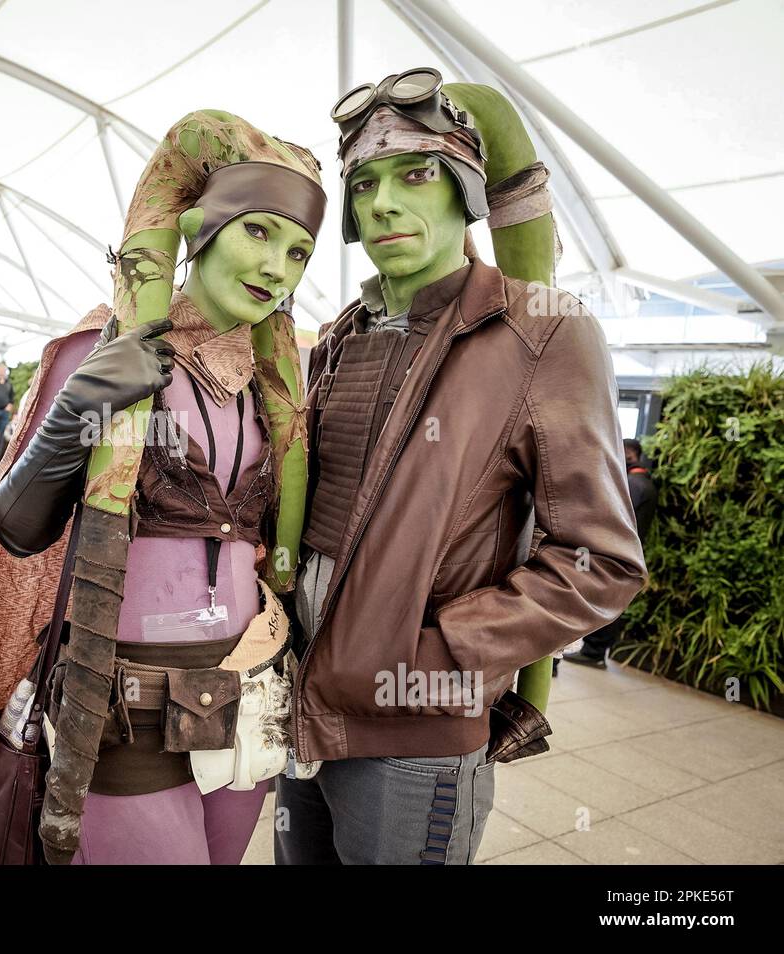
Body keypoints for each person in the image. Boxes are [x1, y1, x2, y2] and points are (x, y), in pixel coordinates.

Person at [271, 70, 648, 865]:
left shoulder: (543, 332)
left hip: (416, 731)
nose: (382, 202)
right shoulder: (340, 339)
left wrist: (440, 651)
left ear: (467, 192)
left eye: (416, 175)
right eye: (364, 183)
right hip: (303, 705)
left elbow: (601, 562)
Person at [0, 110, 326, 864]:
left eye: (298, 250)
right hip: (121, 701)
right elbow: (17, 527)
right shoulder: (104, 349)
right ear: (202, 231)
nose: (278, 267)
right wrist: (78, 410)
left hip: (248, 694)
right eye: (258, 232)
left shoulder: (275, 390)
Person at [563, 438, 657, 669]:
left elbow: (617, 518)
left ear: (629, 454)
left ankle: (593, 651)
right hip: (626, 553)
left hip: (615, 553)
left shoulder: (635, 484)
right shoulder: (646, 483)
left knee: (604, 600)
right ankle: (594, 651)